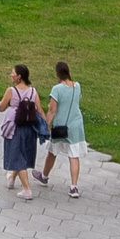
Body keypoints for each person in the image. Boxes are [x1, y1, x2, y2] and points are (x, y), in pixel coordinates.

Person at [37, 60, 85, 196]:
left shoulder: (57, 89)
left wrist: (45, 124)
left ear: (57, 74)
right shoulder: (77, 86)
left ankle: (44, 176)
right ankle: (74, 187)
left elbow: (52, 110)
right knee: (74, 155)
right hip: (75, 125)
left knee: (52, 151)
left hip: (60, 126)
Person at [0, 63, 44, 200]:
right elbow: (40, 110)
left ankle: (27, 189)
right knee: (22, 154)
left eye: (13, 73)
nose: (11, 75)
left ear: (19, 76)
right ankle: (12, 178)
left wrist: (9, 105)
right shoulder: (33, 91)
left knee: (17, 157)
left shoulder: (11, 91)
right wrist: (45, 126)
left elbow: (1, 107)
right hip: (29, 128)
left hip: (15, 127)